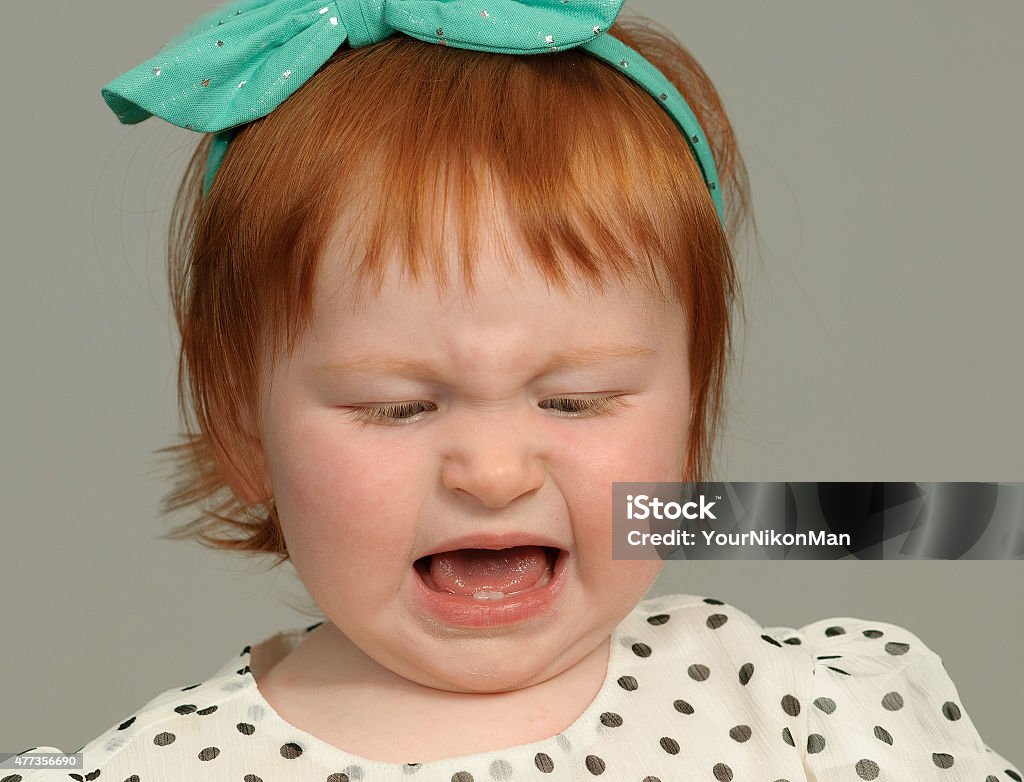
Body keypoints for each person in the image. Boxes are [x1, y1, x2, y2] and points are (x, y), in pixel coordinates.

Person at [13, 1, 1019, 780]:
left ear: (690, 413)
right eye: (398, 405)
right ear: (240, 425)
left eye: (576, 398)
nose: (493, 471)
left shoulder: (814, 719)